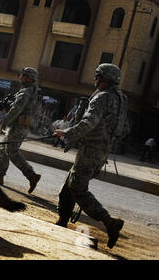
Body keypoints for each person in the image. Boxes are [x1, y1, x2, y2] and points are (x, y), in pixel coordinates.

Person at [53, 63, 129, 249]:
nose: (94, 79)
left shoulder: (102, 97)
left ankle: (109, 222)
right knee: (69, 183)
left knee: (77, 187)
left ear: (106, 78)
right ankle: (62, 220)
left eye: (97, 75)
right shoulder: (120, 99)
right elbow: (124, 129)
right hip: (102, 150)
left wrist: (67, 133)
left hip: (92, 150)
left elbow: (89, 121)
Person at [0, 67, 42, 194]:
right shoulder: (34, 91)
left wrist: (5, 121)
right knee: (3, 149)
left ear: (28, 78)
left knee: (11, 151)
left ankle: (31, 175)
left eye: (22, 75)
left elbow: (17, 108)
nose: (20, 77)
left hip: (17, 126)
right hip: (23, 125)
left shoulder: (26, 91)